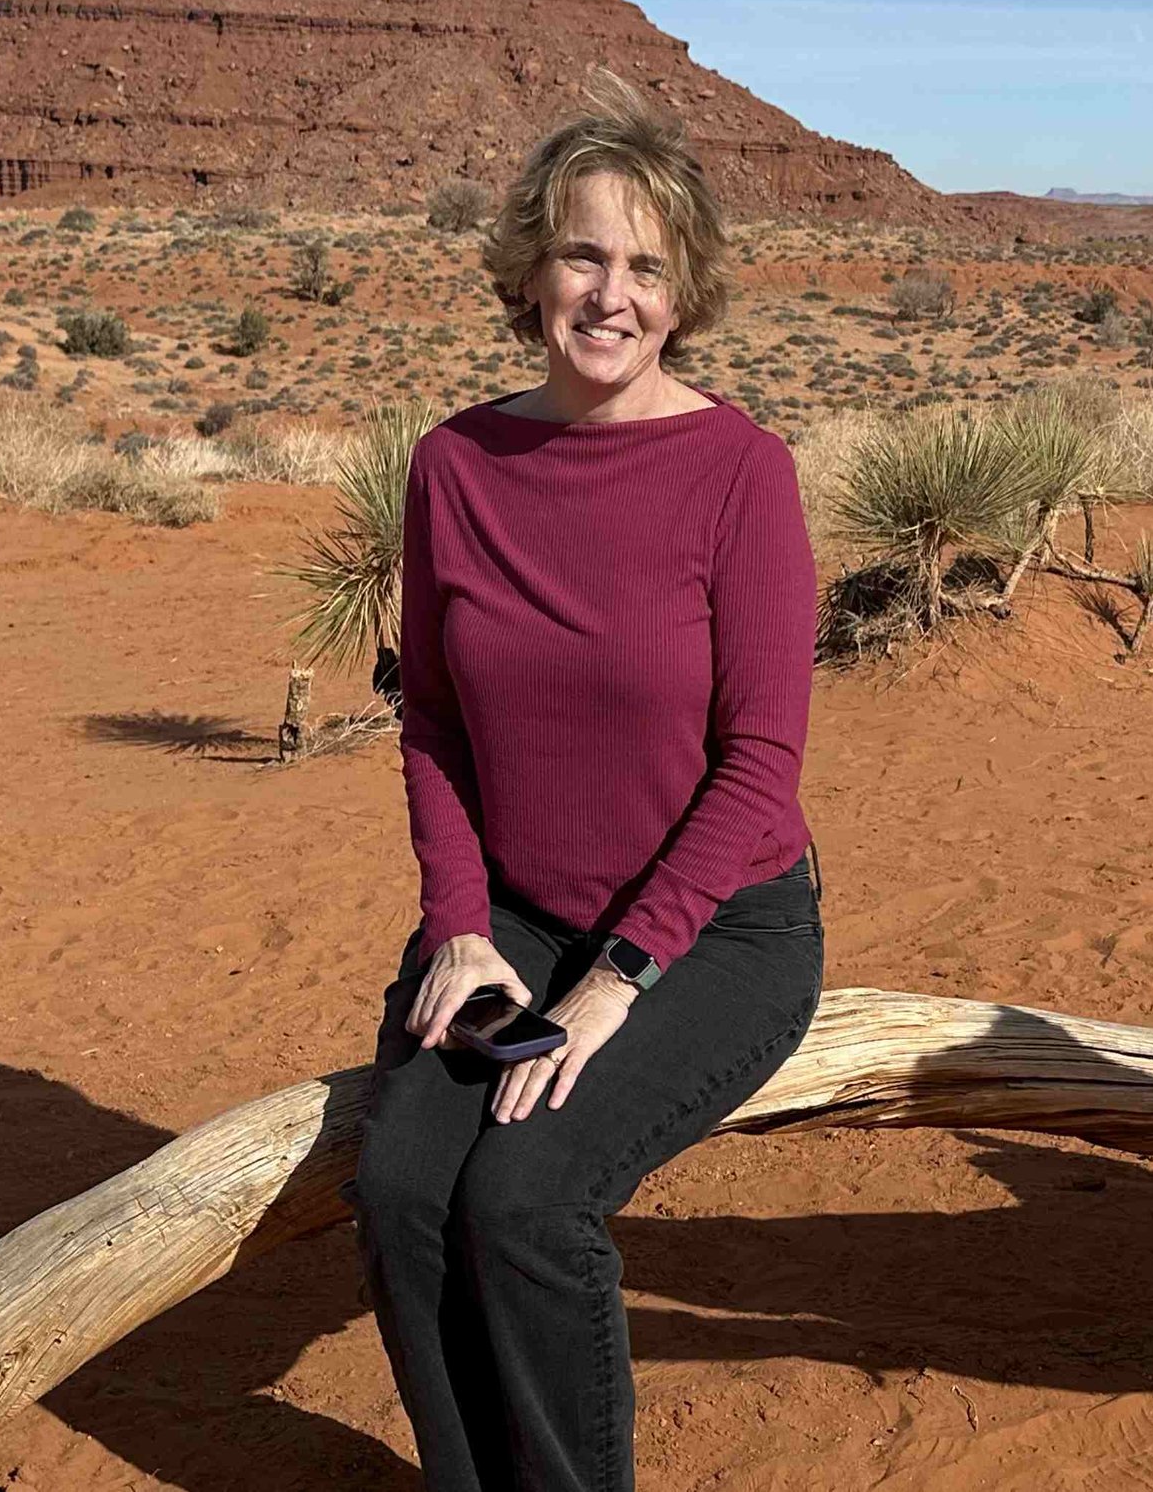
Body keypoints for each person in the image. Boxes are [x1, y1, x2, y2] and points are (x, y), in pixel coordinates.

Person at [347, 83, 824, 1492]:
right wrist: (461, 924)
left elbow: (761, 765)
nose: (609, 295)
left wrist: (614, 981)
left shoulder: (742, 474)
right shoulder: (456, 466)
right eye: (582, 256)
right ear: (531, 271)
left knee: (530, 1197)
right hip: (518, 919)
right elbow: (429, 718)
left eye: (646, 266)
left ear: (684, 296)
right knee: (401, 1189)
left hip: (715, 930)